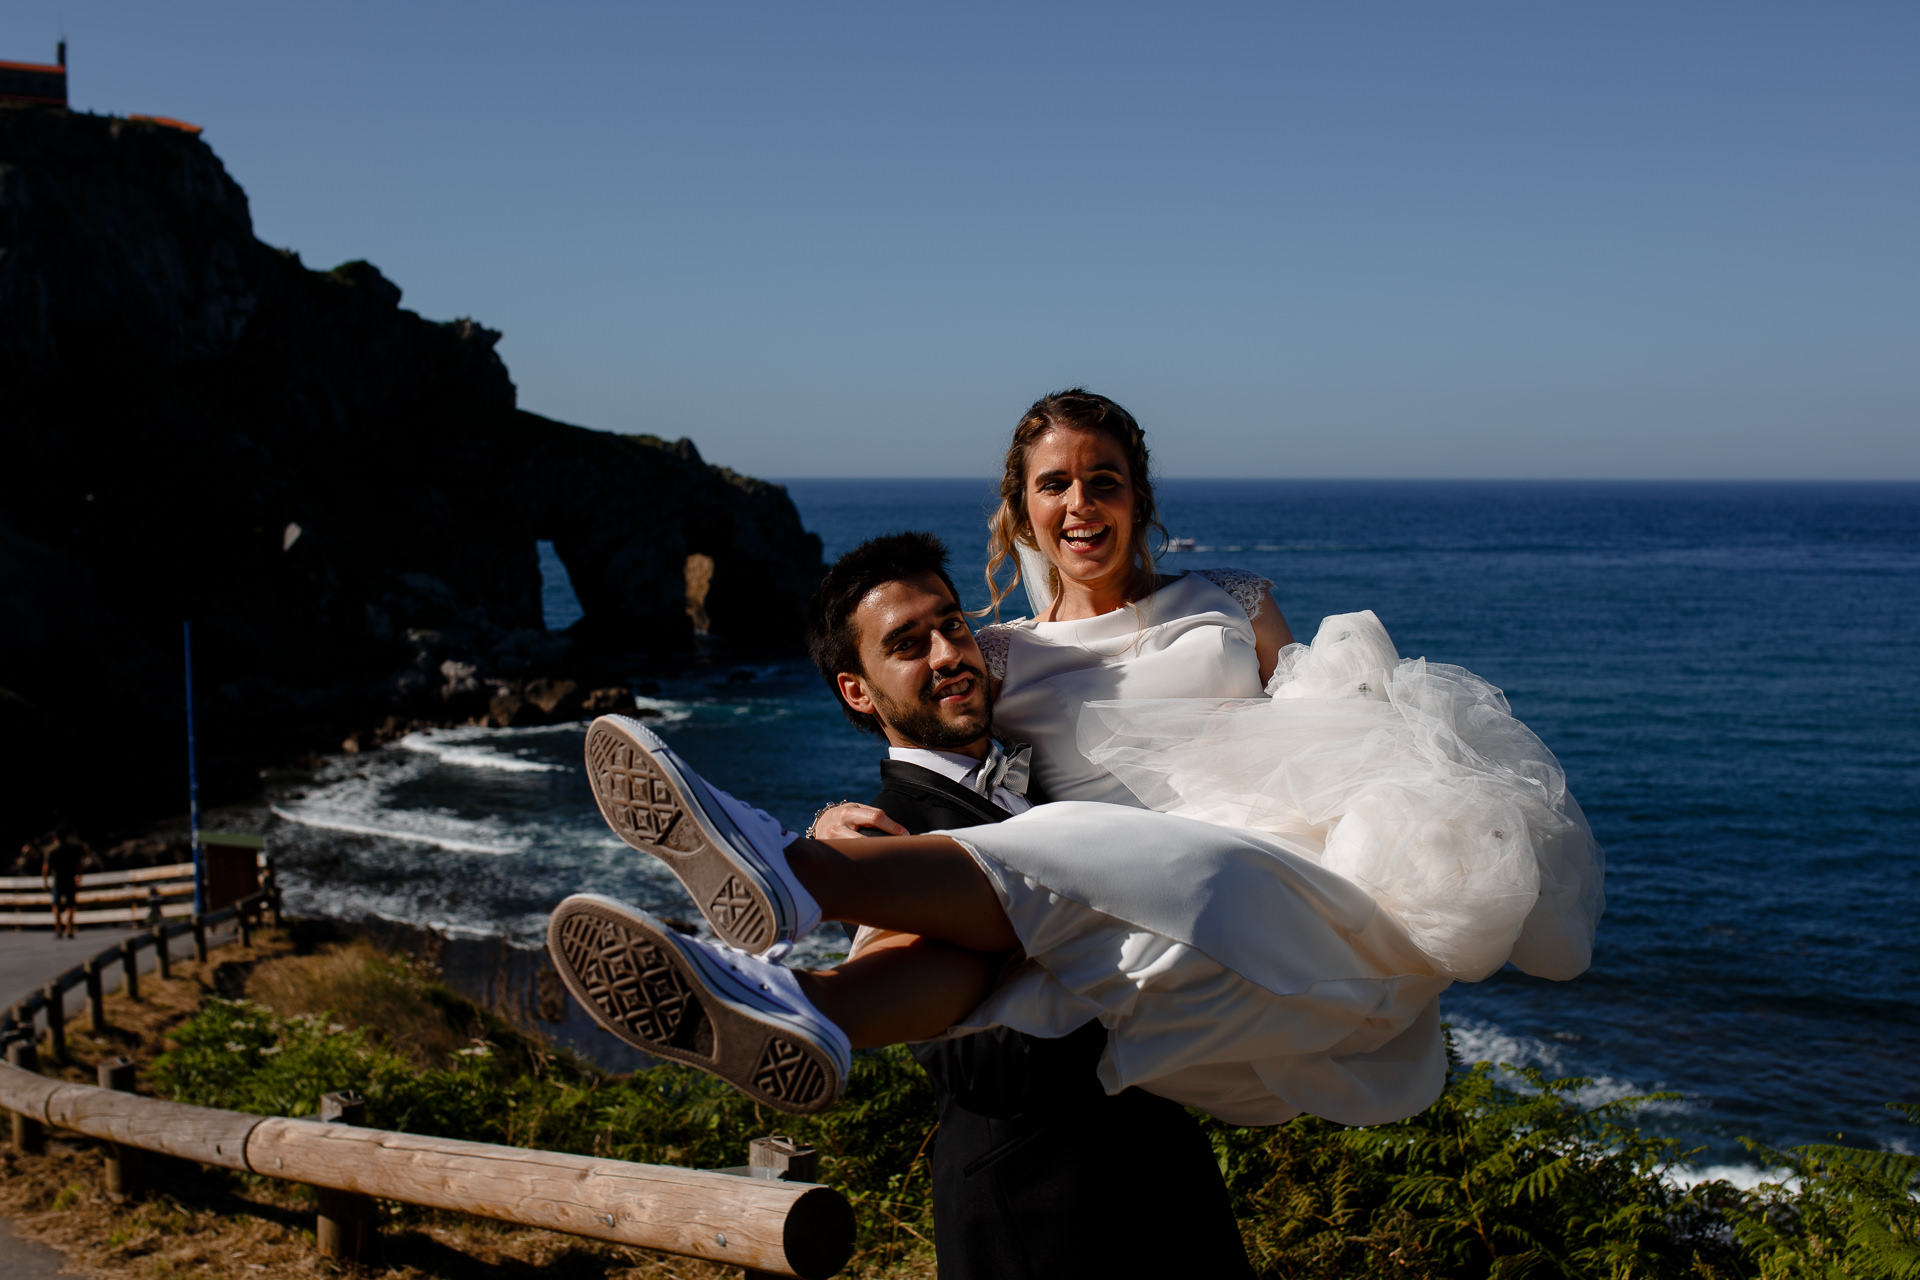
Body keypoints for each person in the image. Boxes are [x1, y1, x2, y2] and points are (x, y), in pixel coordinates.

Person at [547, 389, 1603, 1133]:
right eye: (1056, 483)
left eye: (1105, 480)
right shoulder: (1001, 652)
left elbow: (1332, 724)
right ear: (1022, 507)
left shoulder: (1231, 600)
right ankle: (808, 1006)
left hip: (1255, 877)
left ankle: (786, 875)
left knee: (1083, 861)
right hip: (1101, 910)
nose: (1082, 504)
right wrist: (843, 814)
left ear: (1140, 495)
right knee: (1006, 956)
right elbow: (927, 749)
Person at [802, 530, 1253, 1278]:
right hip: (1040, 1211)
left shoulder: (1047, 759)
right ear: (857, 688)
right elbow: (982, 1065)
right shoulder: (886, 840)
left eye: (951, 624)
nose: (948, 654)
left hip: (1170, 1183)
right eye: (909, 644)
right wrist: (1135, 974)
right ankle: (789, 981)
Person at [38, 825, 88, 938]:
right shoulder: (73, 849)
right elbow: (79, 865)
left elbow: (45, 869)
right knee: (70, 906)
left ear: (55, 838)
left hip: (57, 881)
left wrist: (45, 882)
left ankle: (58, 929)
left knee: (56, 906)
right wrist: (79, 877)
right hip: (70, 879)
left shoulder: (50, 850)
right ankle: (69, 929)